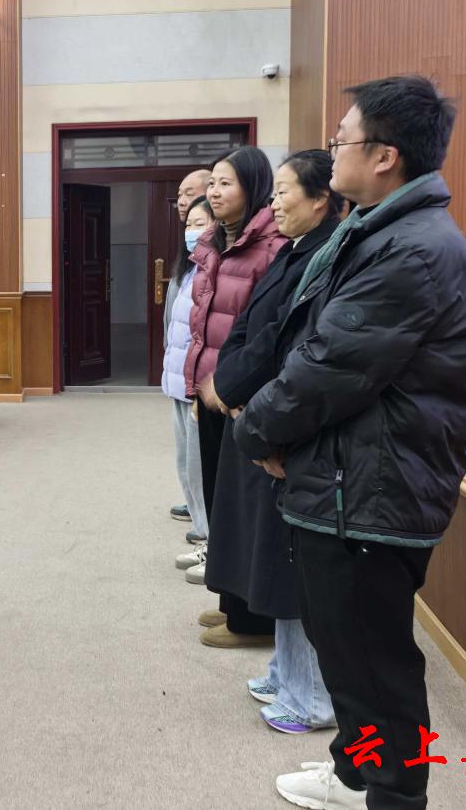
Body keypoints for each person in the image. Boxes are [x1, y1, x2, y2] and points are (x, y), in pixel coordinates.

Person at [233, 77, 466, 810]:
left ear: (383, 156)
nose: (332, 148)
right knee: (345, 652)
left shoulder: (412, 250)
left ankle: (393, 796)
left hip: (372, 491)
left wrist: (255, 429)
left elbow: (327, 368)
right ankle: (355, 773)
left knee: (374, 667)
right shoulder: (379, 229)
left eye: (341, 138)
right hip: (349, 478)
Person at [200, 151, 343, 735]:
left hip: (280, 422)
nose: (276, 203)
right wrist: (228, 385)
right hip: (255, 408)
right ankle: (287, 673)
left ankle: (310, 696)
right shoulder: (297, 249)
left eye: (286, 192)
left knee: (291, 567)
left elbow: (288, 345)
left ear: (321, 199)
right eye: (276, 192)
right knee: (274, 556)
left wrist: (234, 391)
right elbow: (250, 330)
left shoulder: (328, 254)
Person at [183, 147, 286, 604]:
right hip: (210, 388)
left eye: (226, 183)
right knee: (217, 497)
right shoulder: (212, 243)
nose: (214, 192)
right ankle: (228, 602)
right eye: (212, 183)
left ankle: (246, 611)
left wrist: (240, 387)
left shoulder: (271, 245)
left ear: (254, 187)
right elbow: (200, 324)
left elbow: (266, 331)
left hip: (244, 394)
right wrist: (196, 386)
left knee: (244, 507)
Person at [164, 196, 214, 559]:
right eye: (188, 225)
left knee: (200, 467)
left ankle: (212, 539)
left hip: (201, 387)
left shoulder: (216, 270)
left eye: (200, 224)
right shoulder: (186, 270)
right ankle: (201, 528)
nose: (191, 231)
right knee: (185, 463)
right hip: (178, 382)